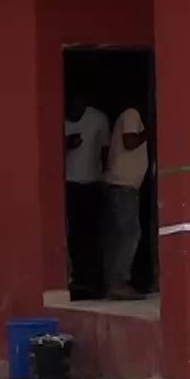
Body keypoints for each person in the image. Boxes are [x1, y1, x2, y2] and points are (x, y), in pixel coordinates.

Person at [63, 94, 110, 300]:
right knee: (72, 236)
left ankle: (93, 282)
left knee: (93, 235)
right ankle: (77, 281)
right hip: (68, 185)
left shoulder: (98, 119)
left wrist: (107, 178)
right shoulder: (57, 119)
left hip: (93, 184)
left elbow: (107, 150)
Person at [101, 106, 151, 299]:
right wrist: (151, 131)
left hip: (120, 185)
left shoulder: (127, 115)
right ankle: (118, 282)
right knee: (129, 233)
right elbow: (130, 141)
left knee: (117, 235)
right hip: (122, 185)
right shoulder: (132, 114)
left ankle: (112, 283)